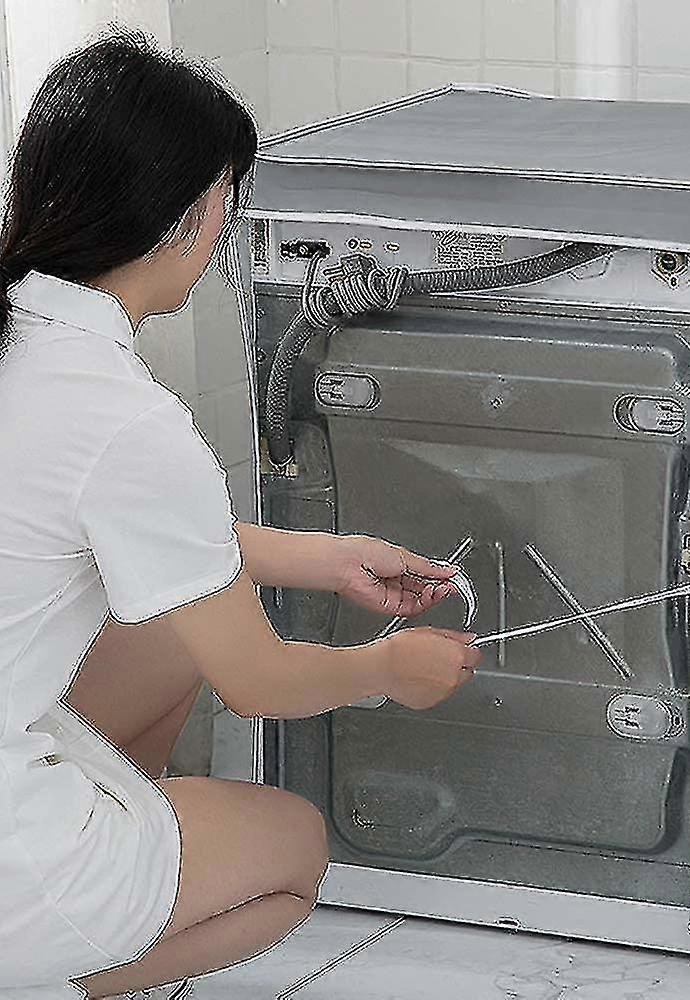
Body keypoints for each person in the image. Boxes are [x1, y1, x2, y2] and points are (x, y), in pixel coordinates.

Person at [0, 28, 482, 1000]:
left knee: (169, 635)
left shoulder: (28, 339)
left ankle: (121, 869)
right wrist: (386, 668)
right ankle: (48, 971)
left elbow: (102, 528)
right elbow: (257, 682)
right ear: (185, 217)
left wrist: (321, 556)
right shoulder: (125, 418)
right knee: (291, 855)